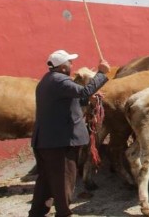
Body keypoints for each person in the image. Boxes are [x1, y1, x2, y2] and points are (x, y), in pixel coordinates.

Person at [29, 49, 110, 217]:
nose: (72, 65)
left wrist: (88, 100)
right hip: (60, 142)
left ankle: (37, 213)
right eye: (70, 62)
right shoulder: (60, 80)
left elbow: (70, 99)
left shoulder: (48, 80)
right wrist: (101, 73)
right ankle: (64, 213)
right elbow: (83, 91)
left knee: (45, 180)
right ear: (63, 67)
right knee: (64, 178)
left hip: (46, 141)